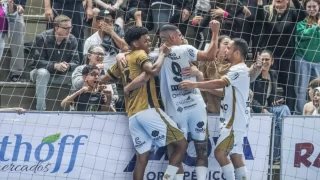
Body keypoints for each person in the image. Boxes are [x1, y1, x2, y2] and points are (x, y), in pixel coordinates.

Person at [122, 21, 220, 180]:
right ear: (173, 37)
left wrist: (123, 54)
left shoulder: (153, 55)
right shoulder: (185, 49)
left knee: (175, 150)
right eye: (180, 35)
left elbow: (136, 61)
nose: (182, 38)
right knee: (201, 148)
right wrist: (215, 32)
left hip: (174, 109)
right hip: (195, 105)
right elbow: (210, 56)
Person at [101, 26, 188, 180]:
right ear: (135, 44)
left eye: (149, 39)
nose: (149, 41)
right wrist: (162, 54)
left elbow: (106, 78)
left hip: (133, 115)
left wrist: (98, 81)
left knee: (142, 158)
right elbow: (152, 70)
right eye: (145, 40)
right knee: (181, 145)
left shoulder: (125, 58)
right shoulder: (140, 54)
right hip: (148, 109)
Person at [179, 38, 251, 180]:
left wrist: (195, 85)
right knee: (236, 156)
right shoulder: (237, 69)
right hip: (236, 120)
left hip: (234, 121)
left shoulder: (239, 69)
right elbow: (223, 91)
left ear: (236, 53)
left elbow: (220, 82)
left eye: (228, 48)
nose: (225, 50)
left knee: (219, 153)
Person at [256, 0, 306, 112]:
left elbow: (302, 15)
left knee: (289, 85)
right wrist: (259, 4)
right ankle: (267, 108)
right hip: (270, 54)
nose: (278, 3)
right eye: (276, 1)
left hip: (287, 55)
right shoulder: (267, 11)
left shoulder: (292, 12)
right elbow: (259, 21)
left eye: (281, 0)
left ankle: (290, 112)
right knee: (270, 82)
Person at [197, 35, 262, 113]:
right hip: (209, 111)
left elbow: (249, 75)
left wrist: (256, 68)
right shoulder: (208, 63)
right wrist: (195, 72)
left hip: (230, 113)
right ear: (217, 48)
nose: (227, 48)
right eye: (226, 44)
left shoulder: (235, 67)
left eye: (229, 47)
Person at [29, 15, 80, 111]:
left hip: (61, 75)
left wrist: (68, 66)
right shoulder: (42, 38)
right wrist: (55, 65)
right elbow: (37, 62)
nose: (69, 30)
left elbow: (76, 62)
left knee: (79, 78)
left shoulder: (72, 40)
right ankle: (40, 111)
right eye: (66, 28)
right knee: (43, 73)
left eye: (70, 27)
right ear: (57, 28)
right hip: (39, 74)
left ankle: (73, 109)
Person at [250, 50, 291, 164]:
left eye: (267, 59)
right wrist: (262, 109)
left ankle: (281, 151)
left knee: (284, 110)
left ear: (272, 61)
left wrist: (275, 101)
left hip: (268, 108)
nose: (264, 62)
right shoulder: (253, 75)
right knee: (276, 120)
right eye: (262, 59)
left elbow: (270, 96)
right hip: (254, 109)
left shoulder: (273, 73)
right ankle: (275, 154)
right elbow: (250, 98)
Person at [295, 0, 320, 114]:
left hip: (318, 61)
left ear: (318, 7)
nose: (311, 9)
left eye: (314, 6)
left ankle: (316, 112)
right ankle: (301, 113)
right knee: (301, 89)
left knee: (318, 89)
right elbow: (303, 35)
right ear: (305, 8)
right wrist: (316, 27)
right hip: (303, 59)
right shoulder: (301, 23)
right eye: (309, 7)